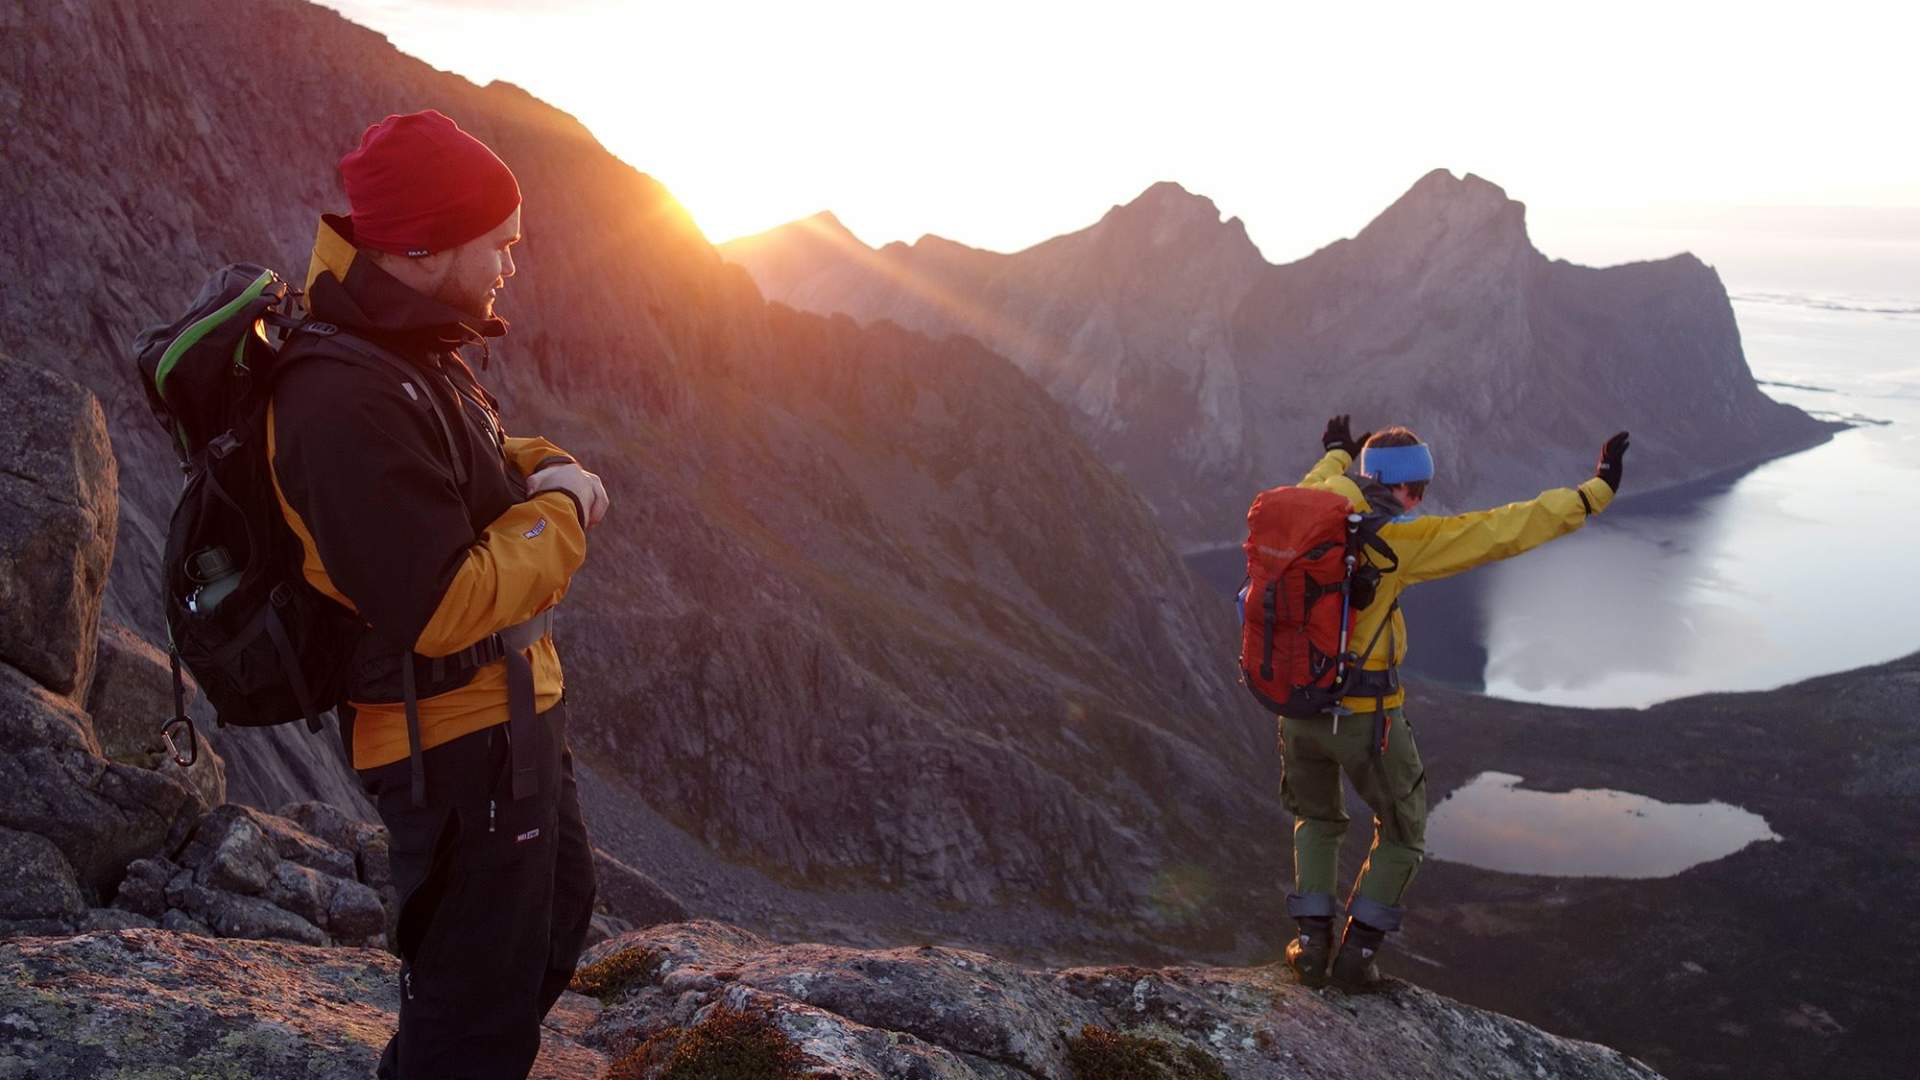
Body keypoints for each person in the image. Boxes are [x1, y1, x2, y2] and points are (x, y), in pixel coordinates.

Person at [266, 110, 610, 1078]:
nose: (512, 258)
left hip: (505, 713)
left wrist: (550, 469)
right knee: (472, 1008)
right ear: (421, 244)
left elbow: (474, 459)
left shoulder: (405, 344)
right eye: (496, 241)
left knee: (550, 925)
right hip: (450, 745)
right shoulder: (339, 397)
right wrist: (564, 520)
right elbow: (439, 601)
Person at [1280, 416, 1629, 991]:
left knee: (1316, 817)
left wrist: (1338, 453)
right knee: (1401, 833)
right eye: (1414, 490)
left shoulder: (1310, 505)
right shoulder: (1396, 541)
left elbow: (1318, 475)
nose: (1416, 502)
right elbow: (1501, 530)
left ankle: (1311, 946)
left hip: (1295, 708)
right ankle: (1356, 957)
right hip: (1366, 719)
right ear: (1396, 486)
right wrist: (1594, 494)